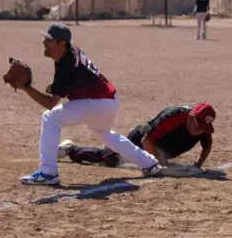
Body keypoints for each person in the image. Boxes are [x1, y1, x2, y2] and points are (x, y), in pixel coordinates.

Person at [17, 23, 162, 185]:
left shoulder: (66, 63)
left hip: (96, 102)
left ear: (61, 44)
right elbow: (70, 81)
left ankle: (48, 172)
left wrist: (26, 88)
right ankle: (149, 163)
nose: (44, 43)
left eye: (49, 40)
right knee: (102, 132)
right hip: (109, 102)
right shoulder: (70, 54)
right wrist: (53, 87)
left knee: (50, 117)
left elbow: (51, 103)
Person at [58, 102, 215, 170]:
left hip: (158, 148)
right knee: (109, 158)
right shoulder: (172, 116)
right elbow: (146, 141)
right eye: (198, 126)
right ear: (191, 117)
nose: (200, 131)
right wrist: (163, 163)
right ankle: (70, 149)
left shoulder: (203, 127)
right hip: (141, 140)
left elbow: (206, 146)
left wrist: (198, 165)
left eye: (204, 128)